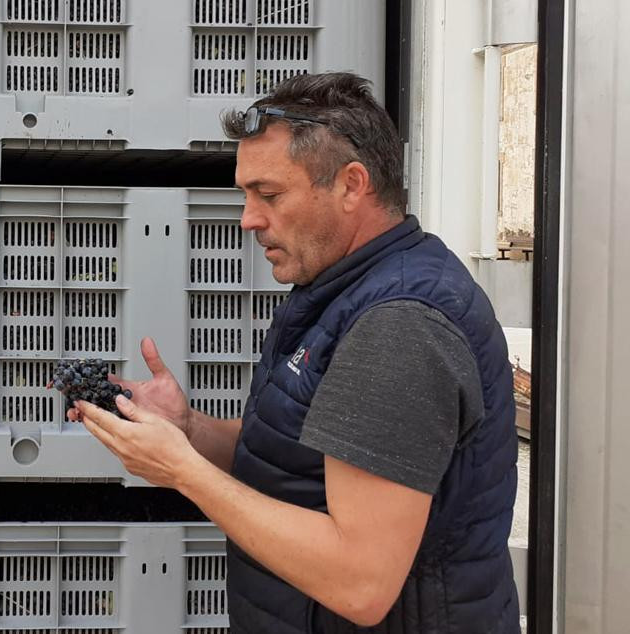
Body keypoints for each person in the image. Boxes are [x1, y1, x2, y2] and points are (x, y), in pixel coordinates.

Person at [71, 72, 520, 632]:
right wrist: (186, 429)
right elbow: (294, 466)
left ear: (352, 186)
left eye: (270, 194)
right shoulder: (343, 289)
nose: (249, 218)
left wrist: (183, 472)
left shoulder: (399, 326)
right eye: (245, 195)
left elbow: (360, 583)